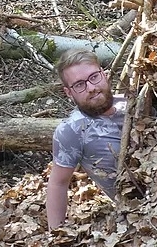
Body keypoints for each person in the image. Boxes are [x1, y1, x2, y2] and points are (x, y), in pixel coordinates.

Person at [46, 49, 126, 229]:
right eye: (80, 85)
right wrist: (55, 234)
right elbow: (58, 183)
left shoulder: (135, 101)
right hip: (139, 210)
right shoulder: (72, 129)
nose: (91, 88)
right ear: (68, 92)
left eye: (94, 77)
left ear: (104, 75)